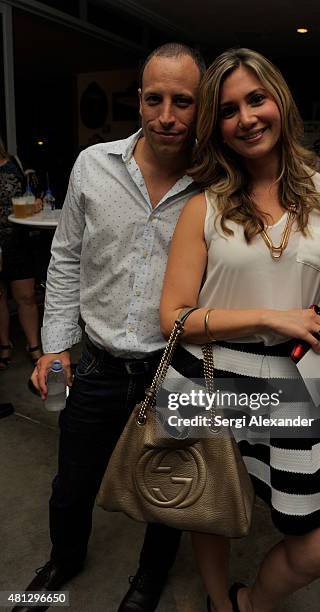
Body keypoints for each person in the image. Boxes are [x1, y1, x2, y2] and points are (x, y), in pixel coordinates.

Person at [160, 48, 320, 612]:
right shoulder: (203, 208)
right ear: (218, 126)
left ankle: (251, 603)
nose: (247, 118)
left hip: (298, 381)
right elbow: (174, 318)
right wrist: (268, 316)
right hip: (209, 377)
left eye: (256, 99)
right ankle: (218, 600)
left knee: (319, 548)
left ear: (280, 102)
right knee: (206, 505)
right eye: (230, 109)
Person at [14, 43, 204, 612]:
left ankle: (148, 579)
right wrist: (54, 347)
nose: (166, 114)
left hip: (171, 368)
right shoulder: (92, 165)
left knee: (167, 487)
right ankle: (65, 557)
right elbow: (66, 258)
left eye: (183, 101)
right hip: (94, 363)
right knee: (70, 485)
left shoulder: (214, 184)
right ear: (138, 100)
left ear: (200, 106)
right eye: (154, 98)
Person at [0, 137, 42, 369]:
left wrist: (36, 203)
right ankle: (4, 345)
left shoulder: (15, 162)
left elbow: (34, 194)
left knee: (26, 296)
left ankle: (33, 345)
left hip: (18, 241)